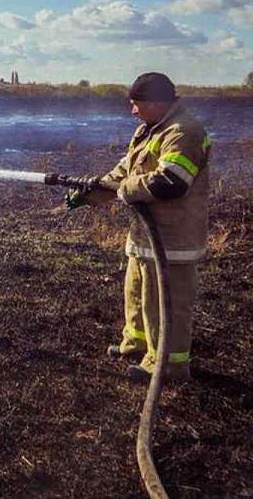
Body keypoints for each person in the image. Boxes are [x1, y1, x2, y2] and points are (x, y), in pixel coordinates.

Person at [68, 72, 211, 383]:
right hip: (145, 236)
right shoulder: (150, 130)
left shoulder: (183, 132)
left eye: (136, 104)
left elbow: (170, 182)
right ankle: (137, 345)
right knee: (137, 293)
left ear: (156, 102)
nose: (132, 111)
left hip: (173, 239)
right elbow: (126, 170)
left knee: (165, 303)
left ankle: (168, 366)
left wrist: (124, 190)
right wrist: (92, 192)